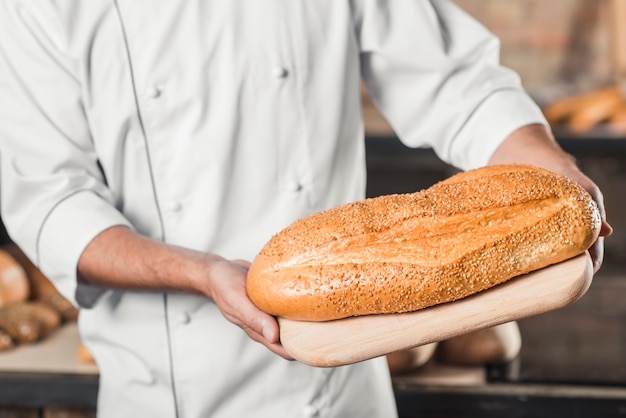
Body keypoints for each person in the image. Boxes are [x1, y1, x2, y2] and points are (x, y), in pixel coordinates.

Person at [0, 1, 612, 417]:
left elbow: (455, 83)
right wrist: (202, 273)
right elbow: (54, 202)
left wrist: (547, 165)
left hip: (338, 388)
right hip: (167, 394)